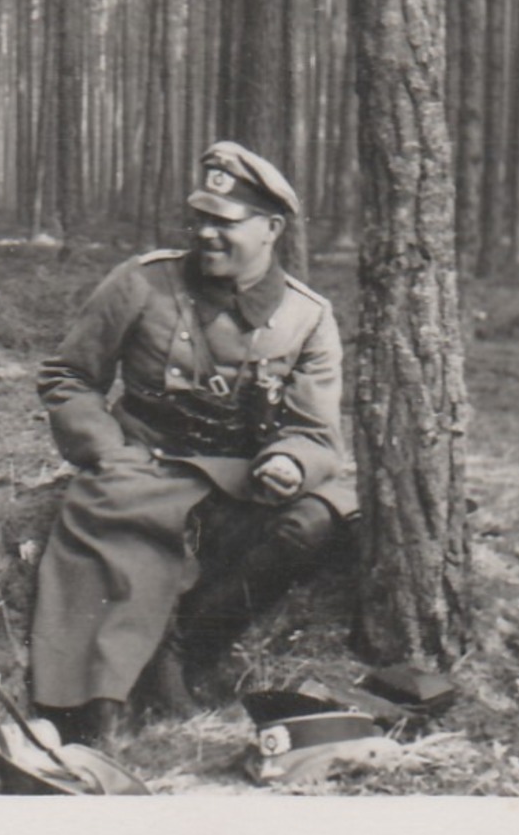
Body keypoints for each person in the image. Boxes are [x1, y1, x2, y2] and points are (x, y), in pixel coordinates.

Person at [29, 142, 357, 743]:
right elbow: (68, 375)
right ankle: (96, 702)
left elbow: (316, 433)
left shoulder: (306, 317)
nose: (206, 234)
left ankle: (183, 646)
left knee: (314, 521)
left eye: (225, 223)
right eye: (200, 218)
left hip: (242, 478)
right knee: (112, 543)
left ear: (271, 229)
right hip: (146, 466)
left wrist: (289, 460)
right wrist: (106, 449)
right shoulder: (142, 284)